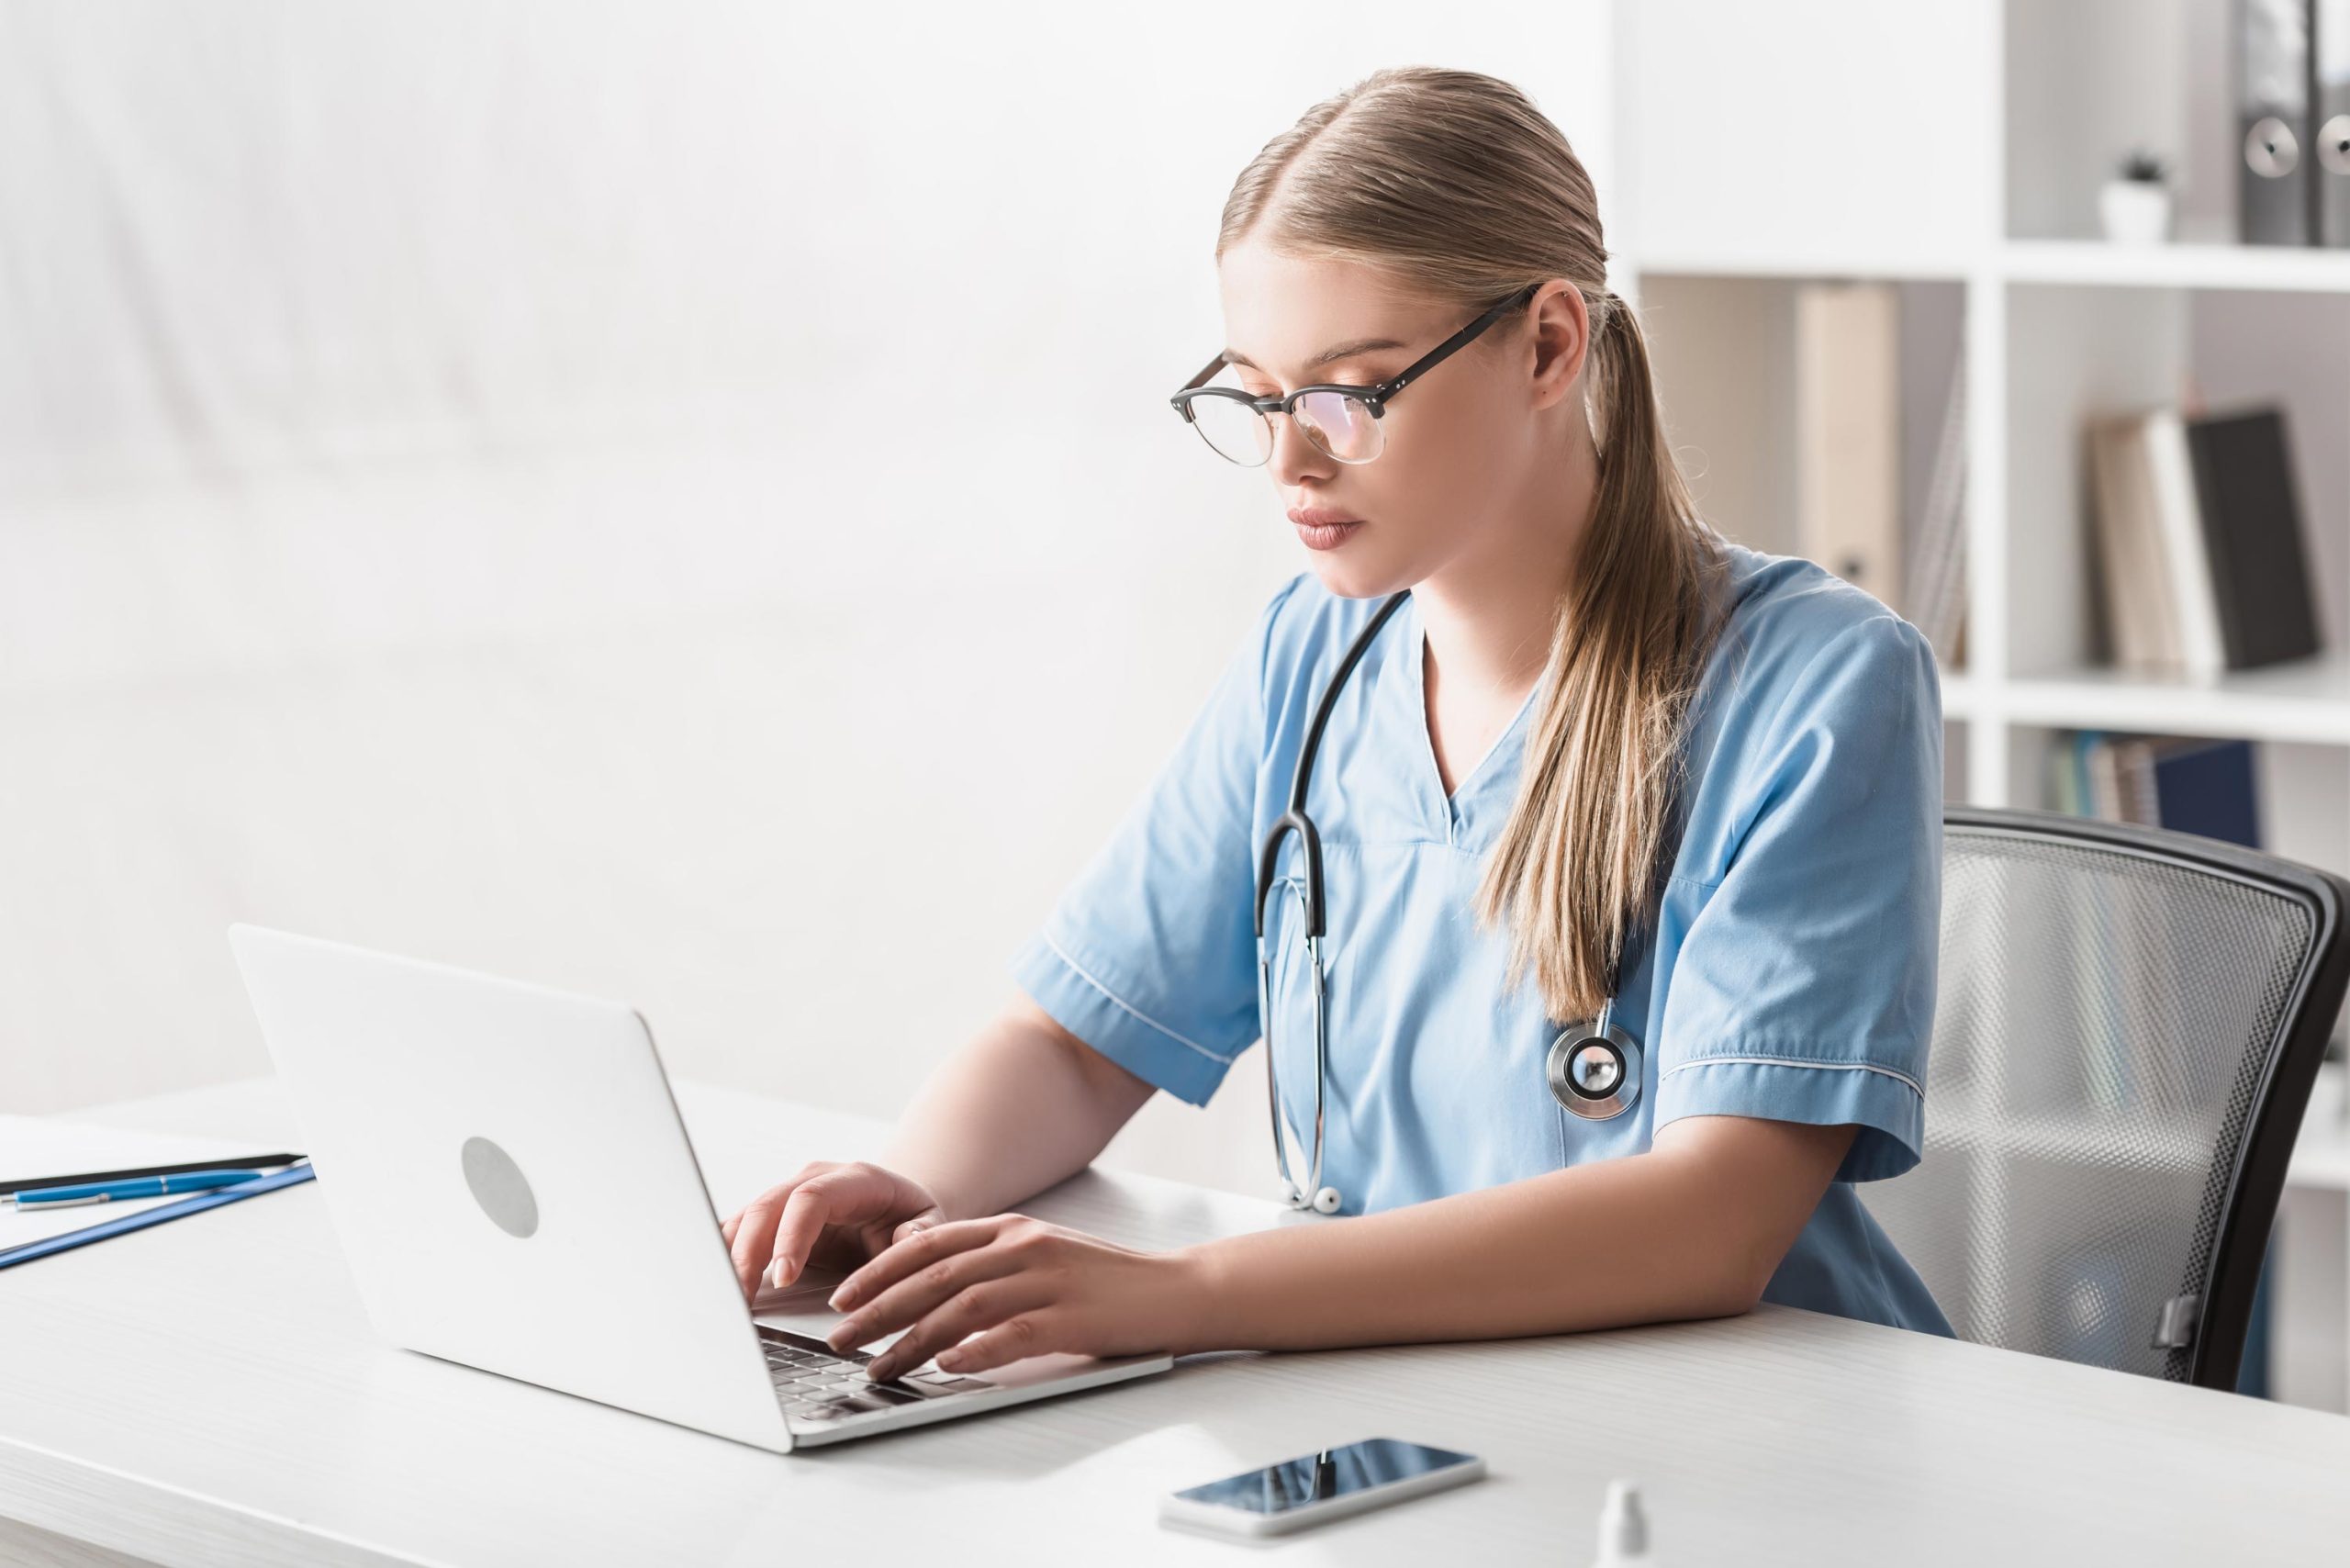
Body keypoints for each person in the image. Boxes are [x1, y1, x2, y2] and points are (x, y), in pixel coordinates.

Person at [722, 64, 1952, 1389]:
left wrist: (1179, 1295)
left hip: (1765, 1431)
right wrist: (910, 1185)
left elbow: (1712, 1221)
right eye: (1254, 395)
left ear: (1548, 345)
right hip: (1413, 1399)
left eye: (1350, 394)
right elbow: (1076, 1043)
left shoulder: (1818, 684)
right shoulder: (1308, 660)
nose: (1290, 463)